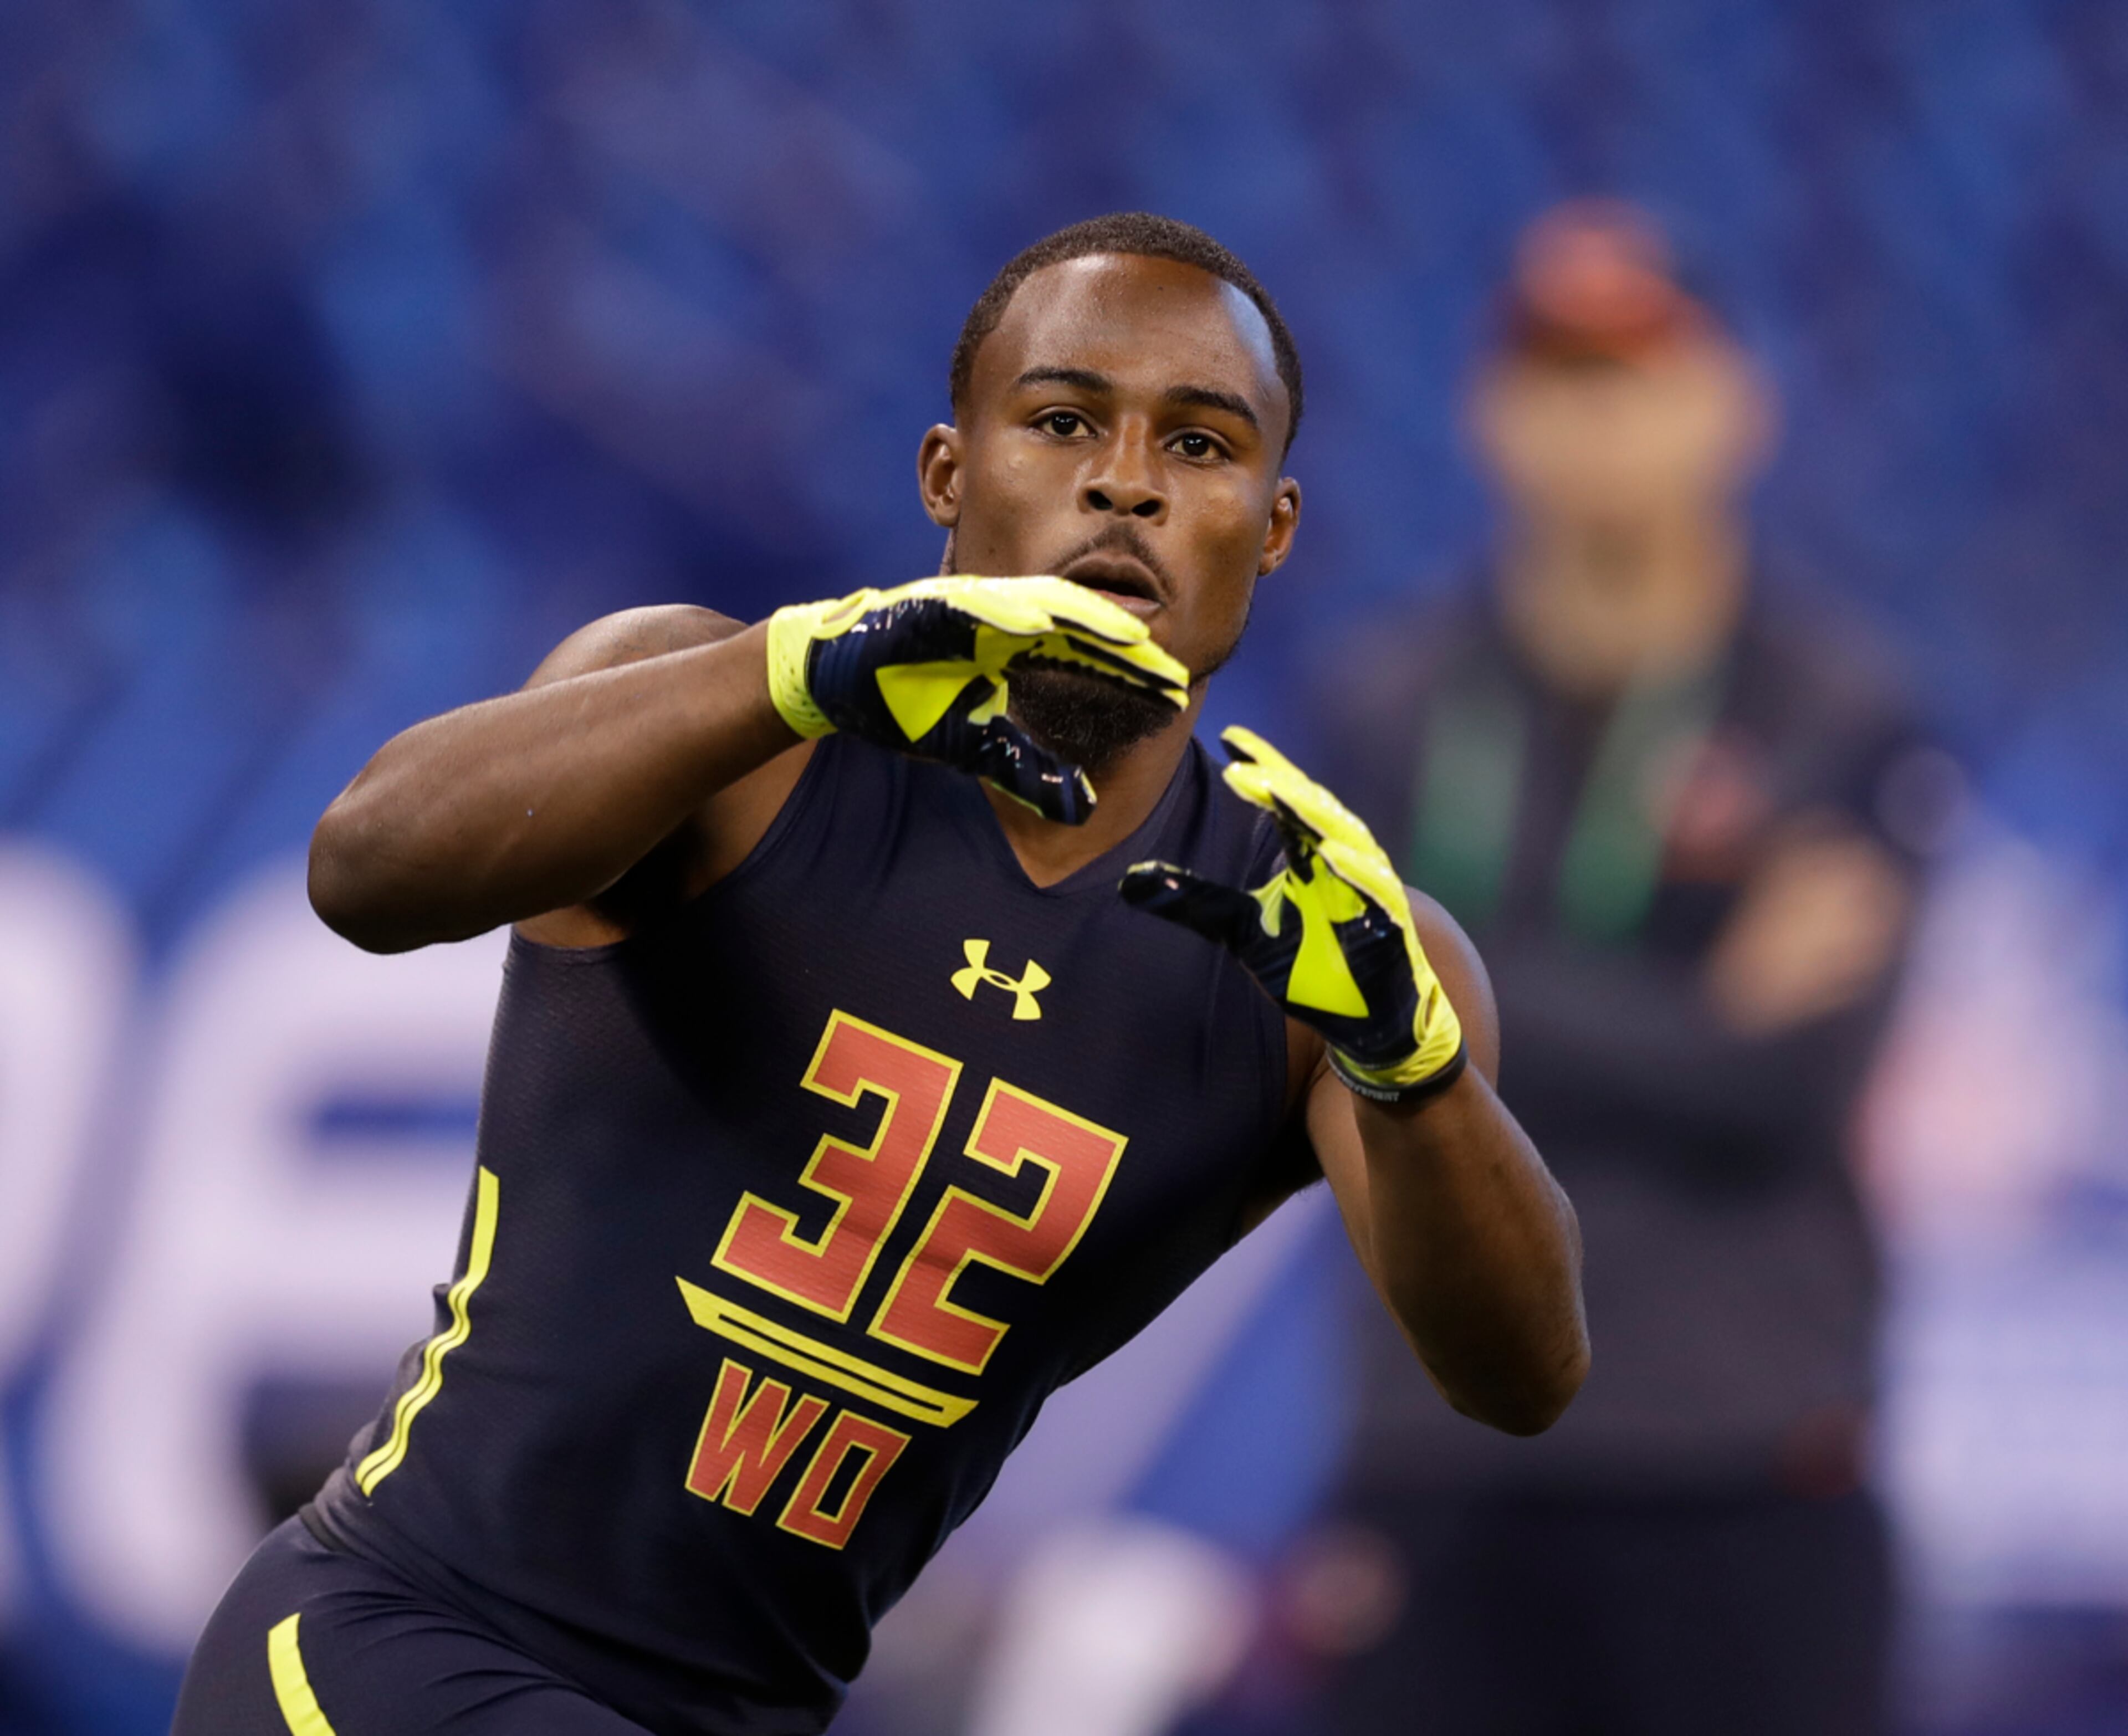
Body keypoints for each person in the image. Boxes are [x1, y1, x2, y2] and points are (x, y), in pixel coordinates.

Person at [171, 212, 1588, 1736]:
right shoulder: (739, 738)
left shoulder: (1323, 943)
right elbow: (365, 871)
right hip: (399, 1644)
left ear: (1275, 523)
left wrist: (1415, 1072)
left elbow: (1519, 1377)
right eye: (1061, 423)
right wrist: (779, 671)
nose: (1126, 482)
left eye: (1199, 445)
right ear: (947, 476)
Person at [1301, 202, 1932, 1736]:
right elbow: (1322, 1037)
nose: (1596, 416)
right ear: (1487, 413)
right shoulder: (1385, 705)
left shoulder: (1838, 712)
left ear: (1736, 401)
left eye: (1638, 369)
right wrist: (1684, 1013)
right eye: (1555, 372)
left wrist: (1441, 994)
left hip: (1743, 1458)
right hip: (1442, 1452)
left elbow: (1778, 1089)